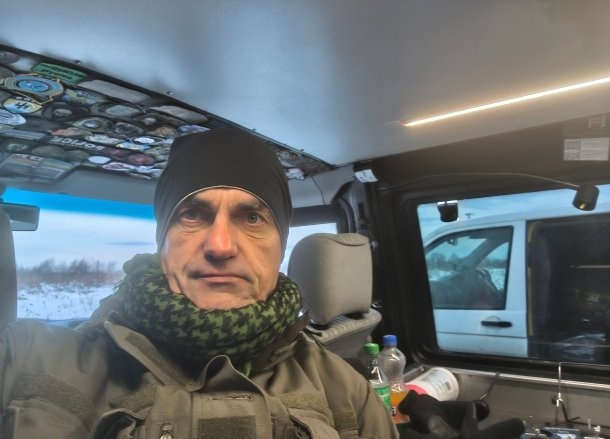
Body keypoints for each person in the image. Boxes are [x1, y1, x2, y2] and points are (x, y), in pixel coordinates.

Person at [0, 128, 398, 438]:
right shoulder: (25, 357)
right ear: (162, 242)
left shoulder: (349, 394)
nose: (220, 246)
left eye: (252, 218)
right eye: (192, 214)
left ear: (279, 248)